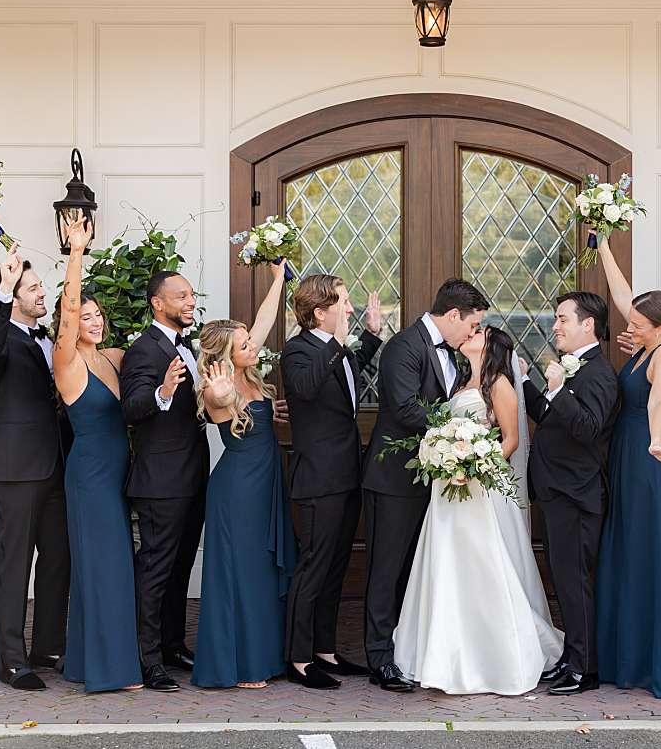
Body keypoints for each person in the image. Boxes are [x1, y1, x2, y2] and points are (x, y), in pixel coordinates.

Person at [393, 325, 564, 695]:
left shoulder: (499, 383)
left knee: (481, 565)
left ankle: (493, 656)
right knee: (446, 566)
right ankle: (442, 655)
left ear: (491, 345)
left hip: (478, 490)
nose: (470, 333)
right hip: (446, 492)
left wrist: (475, 467)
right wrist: (444, 461)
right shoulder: (459, 384)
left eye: (478, 331)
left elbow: (512, 439)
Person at [362, 278, 491, 693]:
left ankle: (405, 650)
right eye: (471, 326)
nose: (473, 335)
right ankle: (379, 657)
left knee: (411, 572)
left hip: (431, 479)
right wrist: (457, 431)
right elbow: (402, 407)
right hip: (394, 477)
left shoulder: (451, 353)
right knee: (386, 569)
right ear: (453, 315)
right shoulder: (404, 346)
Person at [592, 234, 661, 699]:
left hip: (649, 458)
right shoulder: (643, 344)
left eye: (637, 321)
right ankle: (626, 656)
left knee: (647, 551)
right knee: (628, 547)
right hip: (627, 454)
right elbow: (621, 294)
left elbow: (658, 400)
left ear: (657, 326)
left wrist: (655, 441)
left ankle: (653, 660)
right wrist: (603, 248)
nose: (628, 325)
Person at [193, 264, 297, 690]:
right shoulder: (219, 387)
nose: (252, 343)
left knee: (259, 575)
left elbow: (264, 321)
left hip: (265, 486)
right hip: (236, 494)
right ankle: (239, 665)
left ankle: (264, 658)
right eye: (242, 344)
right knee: (241, 575)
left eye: (249, 339)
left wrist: (278, 280)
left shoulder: (252, 378)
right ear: (224, 355)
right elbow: (217, 403)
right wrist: (218, 393)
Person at [280, 274, 386, 689]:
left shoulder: (334, 351)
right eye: (342, 303)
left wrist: (370, 337)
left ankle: (324, 650)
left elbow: (347, 374)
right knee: (313, 567)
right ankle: (298, 658)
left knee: (335, 567)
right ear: (319, 311)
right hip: (317, 479)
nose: (349, 309)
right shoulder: (298, 352)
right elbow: (305, 389)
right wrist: (340, 343)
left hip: (346, 475)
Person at [51, 217, 143, 693]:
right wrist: (76, 253)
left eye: (96, 315)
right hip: (89, 476)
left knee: (108, 565)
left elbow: (156, 356)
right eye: (85, 317)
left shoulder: (113, 357)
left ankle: (87, 660)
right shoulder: (66, 362)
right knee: (106, 565)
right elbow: (67, 311)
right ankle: (112, 672)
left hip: (117, 472)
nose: (93, 320)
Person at [0, 248, 70, 690]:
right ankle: (11, 660)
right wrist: (6, 288)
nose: (41, 292)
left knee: (57, 559)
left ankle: (46, 647)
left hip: (57, 466)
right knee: (15, 566)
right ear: (13, 296)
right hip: (16, 470)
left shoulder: (44, 337)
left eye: (38, 286)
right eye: (33, 288)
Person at [523, 290, 621, 697]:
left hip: (577, 495)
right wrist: (520, 381)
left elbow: (587, 428)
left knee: (575, 581)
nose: (555, 326)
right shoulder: (574, 370)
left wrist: (559, 389)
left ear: (588, 325)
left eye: (562, 319)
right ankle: (571, 657)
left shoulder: (598, 374)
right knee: (564, 580)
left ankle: (585, 667)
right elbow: (551, 417)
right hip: (558, 491)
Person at [120, 270, 205, 692]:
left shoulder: (188, 347)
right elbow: (132, 408)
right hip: (160, 482)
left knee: (179, 570)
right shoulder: (143, 350)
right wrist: (164, 391)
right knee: (154, 572)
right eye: (182, 296)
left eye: (191, 295)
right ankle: (147, 659)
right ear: (158, 303)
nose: (190, 302)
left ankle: (172, 644)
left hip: (192, 478)